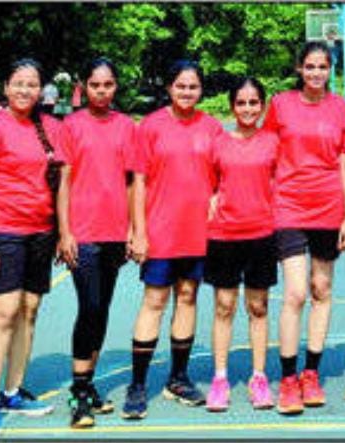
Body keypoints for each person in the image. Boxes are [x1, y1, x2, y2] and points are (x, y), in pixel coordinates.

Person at [0, 58, 67, 435]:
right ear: (6, 88)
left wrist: (60, 232)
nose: (26, 90)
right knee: (3, 313)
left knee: (29, 310)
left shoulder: (50, 127)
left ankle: (13, 391)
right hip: (4, 231)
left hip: (40, 231)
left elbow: (60, 180)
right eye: (19, 83)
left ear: (41, 90)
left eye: (32, 84)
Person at [122, 60, 223, 420]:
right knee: (155, 300)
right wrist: (138, 230)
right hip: (160, 230)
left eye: (193, 86)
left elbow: (222, 175)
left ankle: (178, 378)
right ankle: (138, 384)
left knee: (188, 296)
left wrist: (217, 200)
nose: (187, 92)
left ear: (201, 90)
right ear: (169, 88)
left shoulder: (212, 127)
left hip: (198, 230)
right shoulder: (150, 126)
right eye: (180, 86)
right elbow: (138, 183)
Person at [264, 42, 345, 415]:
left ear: (330, 70)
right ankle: (288, 378)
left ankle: (311, 373)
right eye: (310, 66)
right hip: (288, 205)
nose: (316, 72)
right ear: (299, 69)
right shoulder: (281, 104)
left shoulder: (342, 109)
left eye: (323, 66)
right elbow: (267, 152)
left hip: (328, 207)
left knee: (322, 289)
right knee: (296, 293)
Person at [55, 57, 135, 428]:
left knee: (101, 309)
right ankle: (79, 391)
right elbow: (64, 182)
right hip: (83, 232)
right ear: (84, 87)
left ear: (115, 86)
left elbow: (132, 182)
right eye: (95, 85)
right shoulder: (71, 125)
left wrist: (133, 228)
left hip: (115, 232)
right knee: (88, 307)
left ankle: (88, 385)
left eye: (108, 84)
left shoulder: (126, 126)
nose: (101, 91)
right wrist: (65, 231)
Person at [203, 77, 278, 412]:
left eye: (254, 102)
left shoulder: (273, 142)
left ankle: (258, 378)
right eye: (241, 103)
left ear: (262, 105)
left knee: (258, 307)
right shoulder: (218, 143)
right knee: (224, 306)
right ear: (232, 106)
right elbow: (209, 186)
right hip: (224, 235)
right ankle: (220, 379)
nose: (248, 109)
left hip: (262, 233)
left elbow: (282, 182)